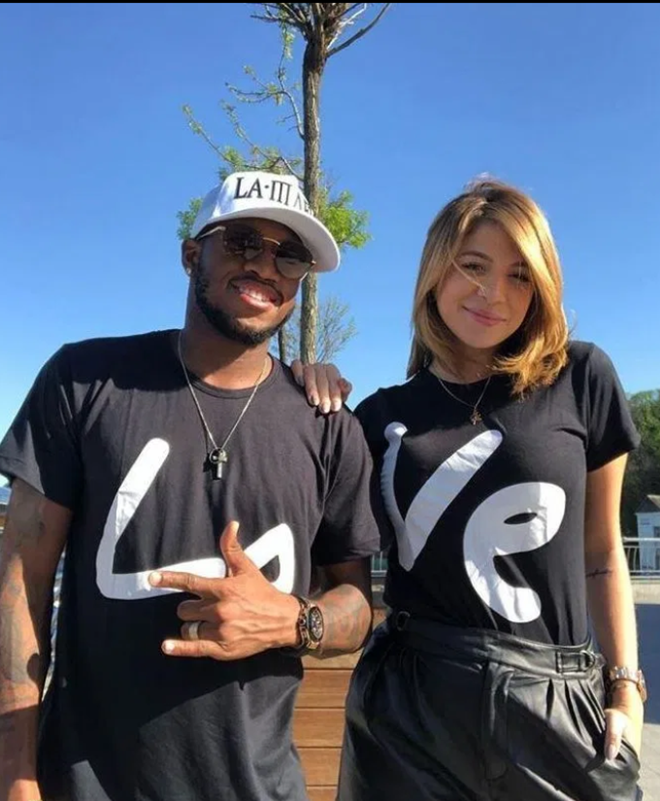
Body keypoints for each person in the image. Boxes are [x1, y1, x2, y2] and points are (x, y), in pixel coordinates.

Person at [0, 170, 385, 801]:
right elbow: (21, 576)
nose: (265, 264)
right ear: (191, 254)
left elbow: (356, 604)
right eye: (240, 242)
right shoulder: (83, 381)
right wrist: (15, 776)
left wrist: (295, 621)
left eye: (289, 254)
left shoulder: (329, 429)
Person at [294, 177, 646, 800]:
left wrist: (625, 687)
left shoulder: (581, 377)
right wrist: (296, 389)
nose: (493, 293)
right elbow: (324, 551)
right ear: (435, 271)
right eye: (473, 266)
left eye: (519, 275)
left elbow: (601, 552)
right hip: (409, 703)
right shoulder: (377, 417)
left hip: (555, 697)